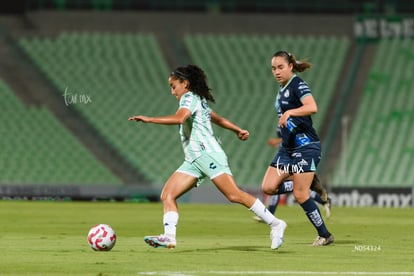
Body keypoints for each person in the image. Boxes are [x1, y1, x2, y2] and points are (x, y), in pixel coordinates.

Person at [128, 64, 287, 250]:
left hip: (207, 153)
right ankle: (169, 237)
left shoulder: (188, 98)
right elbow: (217, 118)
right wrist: (237, 130)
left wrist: (149, 119)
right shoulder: (199, 99)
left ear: (185, 84)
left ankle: (276, 223)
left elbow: (179, 118)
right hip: (194, 160)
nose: (172, 92)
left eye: (173, 86)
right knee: (168, 194)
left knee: (234, 194)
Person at [261, 51, 334, 246]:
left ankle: (325, 235)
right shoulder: (282, 87)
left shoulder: (297, 84)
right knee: (268, 187)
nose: (276, 72)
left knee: (301, 195)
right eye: (273, 68)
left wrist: (291, 112)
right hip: (287, 149)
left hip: (306, 146)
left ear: (290, 67)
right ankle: (303, 180)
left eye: (280, 67)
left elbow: (312, 106)